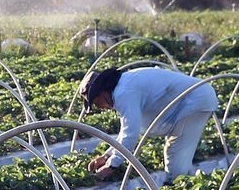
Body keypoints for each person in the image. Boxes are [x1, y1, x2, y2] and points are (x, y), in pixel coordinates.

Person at [82, 67, 219, 183]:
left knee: (175, 153)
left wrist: (111, 166)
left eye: (97, 102)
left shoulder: (124, 93)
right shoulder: (124, 85)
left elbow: (131, 133)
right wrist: (107, 156)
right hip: (194, 99)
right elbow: (126, 132)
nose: (100, 107)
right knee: (179, 154)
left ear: (103, 92)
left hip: (196, 101)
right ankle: (188, 185)